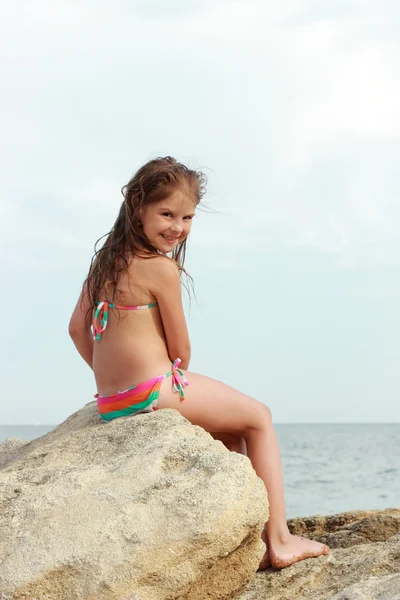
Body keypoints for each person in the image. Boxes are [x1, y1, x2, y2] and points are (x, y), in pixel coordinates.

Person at [69, 156, 329, 570]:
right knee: (259, 416)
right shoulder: (160, 268)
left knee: (234, 433)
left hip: (111, 401)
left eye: (187, 217)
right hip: (153, 390)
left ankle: (249, 538)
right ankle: (279, 540)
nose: (177, 226)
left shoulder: (104, 263)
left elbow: (77, 331)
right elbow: (181, 351)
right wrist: (158, 375)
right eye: (166, 213)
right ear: (138, 208)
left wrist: (111, 381)